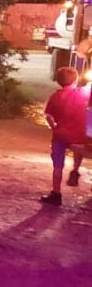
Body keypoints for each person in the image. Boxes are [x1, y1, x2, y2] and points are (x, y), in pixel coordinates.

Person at [39, 66, 88, 205]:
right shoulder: (82, 93)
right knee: (79, 150)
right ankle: (75, 170)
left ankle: (56, 193)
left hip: (60, 136)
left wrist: (53, 126)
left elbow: (48, 116)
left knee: (58, 167)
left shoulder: (54, 97)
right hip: (78, 136)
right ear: (76, 79)